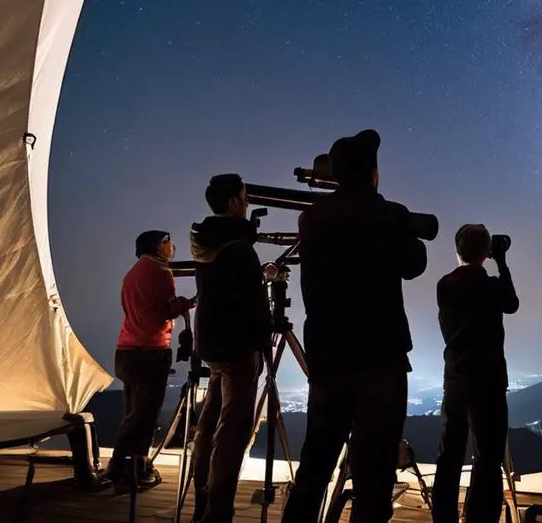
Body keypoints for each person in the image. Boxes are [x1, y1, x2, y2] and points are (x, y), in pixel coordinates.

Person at [282, 129, 428, 523]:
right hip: (381, 358)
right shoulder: (391, 214)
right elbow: (415, 264)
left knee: (315, 466)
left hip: (329, 358)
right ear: (373, 173)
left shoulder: (311, 218)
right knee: (375, 476)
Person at [189, 174, 273, 523]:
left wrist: (258, 275)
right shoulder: (239, 248)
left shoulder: (207, 242)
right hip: (238, 346)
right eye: (244, 197)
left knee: (210, 423)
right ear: (232, 203)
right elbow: (252, 306)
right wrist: (265, 345)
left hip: (211, 343)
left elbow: (224, 287)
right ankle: (218, 510)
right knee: (233, 428)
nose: (248, 202)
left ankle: (202, 499)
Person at [432, 224, 519, 523]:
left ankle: (442, 517)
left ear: (457, 251)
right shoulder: (492, 286)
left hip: (455, 379)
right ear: (486, 253)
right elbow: (512, 304)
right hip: (488, 381)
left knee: (449, 456)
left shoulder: (445, 285)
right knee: (487, 459)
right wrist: (502, 262)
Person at [108, 230, 195, 492]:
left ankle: (121, 466)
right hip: (151, 351)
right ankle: (132, 471)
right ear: (158, 247)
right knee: (145, 415)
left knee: (132, 411)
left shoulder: (131, 274)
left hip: (126, 349)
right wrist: (183, 304)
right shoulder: (161, 272)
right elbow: (163, 311)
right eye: (168, 243)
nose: (173, 247)